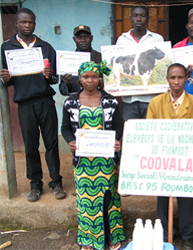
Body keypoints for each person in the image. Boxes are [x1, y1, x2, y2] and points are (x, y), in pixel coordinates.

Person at [0, 8, 65, 202]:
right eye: (24, 22)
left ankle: (56, 182)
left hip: (45, 102)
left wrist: (50, 74)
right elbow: (7, 79)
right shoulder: (7, 47)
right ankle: (35, 184)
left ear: (34, 24)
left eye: (31, 23)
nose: (27, 26)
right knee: (30, 146)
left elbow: (54, 78)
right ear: (17, 23)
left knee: (52, 144)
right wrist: (6, 78)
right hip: (25, 104)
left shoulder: (45, 47)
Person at [61, 61, 125, 250]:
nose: (90, 80)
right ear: (79, 79)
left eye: (94, 77)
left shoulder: (110, 101)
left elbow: (118, 125)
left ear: (100, 79)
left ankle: (113, 236)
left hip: (105, 160)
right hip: (83, 161)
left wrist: (116, 141)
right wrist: (70, 142)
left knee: (109, 198)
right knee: (86, 200)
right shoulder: (70, 102)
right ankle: (89, 240)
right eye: (86, 77)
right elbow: (65, 127)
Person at [146, 63, 193, 250]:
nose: (176, 81)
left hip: (187, 159)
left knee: (187, 196)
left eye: (180, 77)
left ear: (186, 79)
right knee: (163, 196)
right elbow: (149, 131)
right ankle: (164, 235)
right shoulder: (155, 103)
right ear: (167, 80)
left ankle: (188, 235)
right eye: (172, 77)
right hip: (163, 158)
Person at [115, 5, 164, 122]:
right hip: (129, 99)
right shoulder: (122, 40)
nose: (138, 19)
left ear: (147, 19)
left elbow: (162, 64)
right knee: (131, 133)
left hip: (151, 98)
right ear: (130, 18)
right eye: (135, 15)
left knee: (150, 132)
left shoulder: (158, 39)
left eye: (142, 16)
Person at [59, 25, 102, 96]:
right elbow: (62, 91)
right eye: (79, 37)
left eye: (86, 37)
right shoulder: (67, 60)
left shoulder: (101, 58)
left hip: (97, 100)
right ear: (74, 39)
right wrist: (68, 83)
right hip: (76, 103)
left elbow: (109, 82)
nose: (83, 40)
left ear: (91, 38)